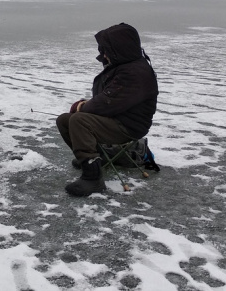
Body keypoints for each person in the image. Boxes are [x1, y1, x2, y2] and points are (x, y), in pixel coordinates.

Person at [56, 23, 158, 197]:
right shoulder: (126, 66)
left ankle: (93, 178)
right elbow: (110, 99)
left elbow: (107, 102)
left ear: (118, 48)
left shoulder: (134, 73)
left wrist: (80, 106)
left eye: (106, 50)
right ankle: (94, 159)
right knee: (64, 120)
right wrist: (87, 105)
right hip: (117, 117)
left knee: (78, 120)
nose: (103, 54)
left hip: (128, 126)